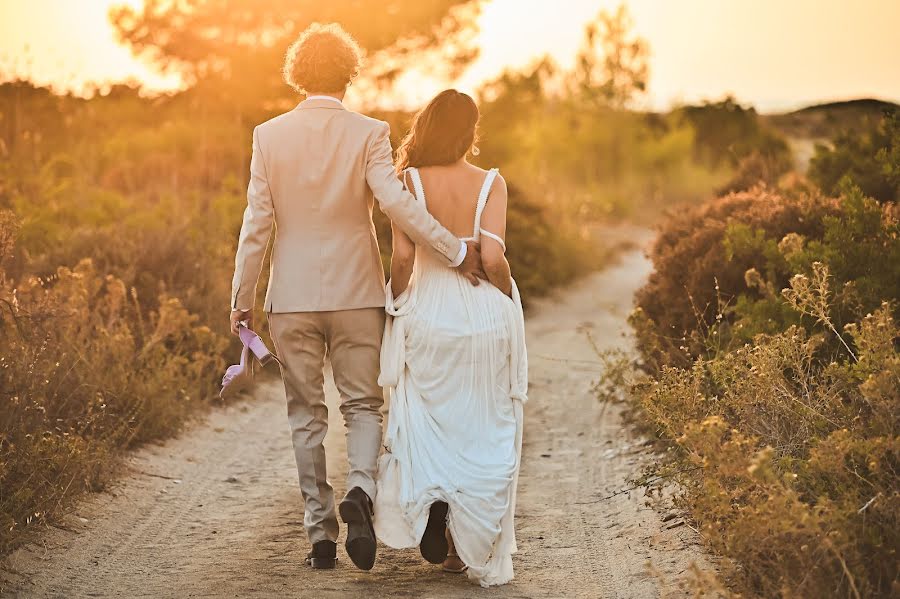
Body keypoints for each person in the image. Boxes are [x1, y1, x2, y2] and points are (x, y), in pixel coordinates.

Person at [228, 24, 485, 572]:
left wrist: (241, 298)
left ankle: (321, 537)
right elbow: (395, 202)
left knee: (306, 415)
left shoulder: (268, 135)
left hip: (291, 297)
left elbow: (257, 224)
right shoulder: (370, 131)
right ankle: (362, 493)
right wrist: (454, 249)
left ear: (298, 73)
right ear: (349, 72)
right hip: (357, 295)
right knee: (363, 404)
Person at [374, 89, 528, 587]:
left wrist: (396, 305)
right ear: (470, 133)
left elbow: (401, 261)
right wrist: (504, 298)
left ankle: (435, 510)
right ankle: (462, 546)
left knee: (430, 419)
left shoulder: (408, 182)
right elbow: (494, 256)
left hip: (428, 311)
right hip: (481, 311)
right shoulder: (492, 184)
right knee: (482, 425)